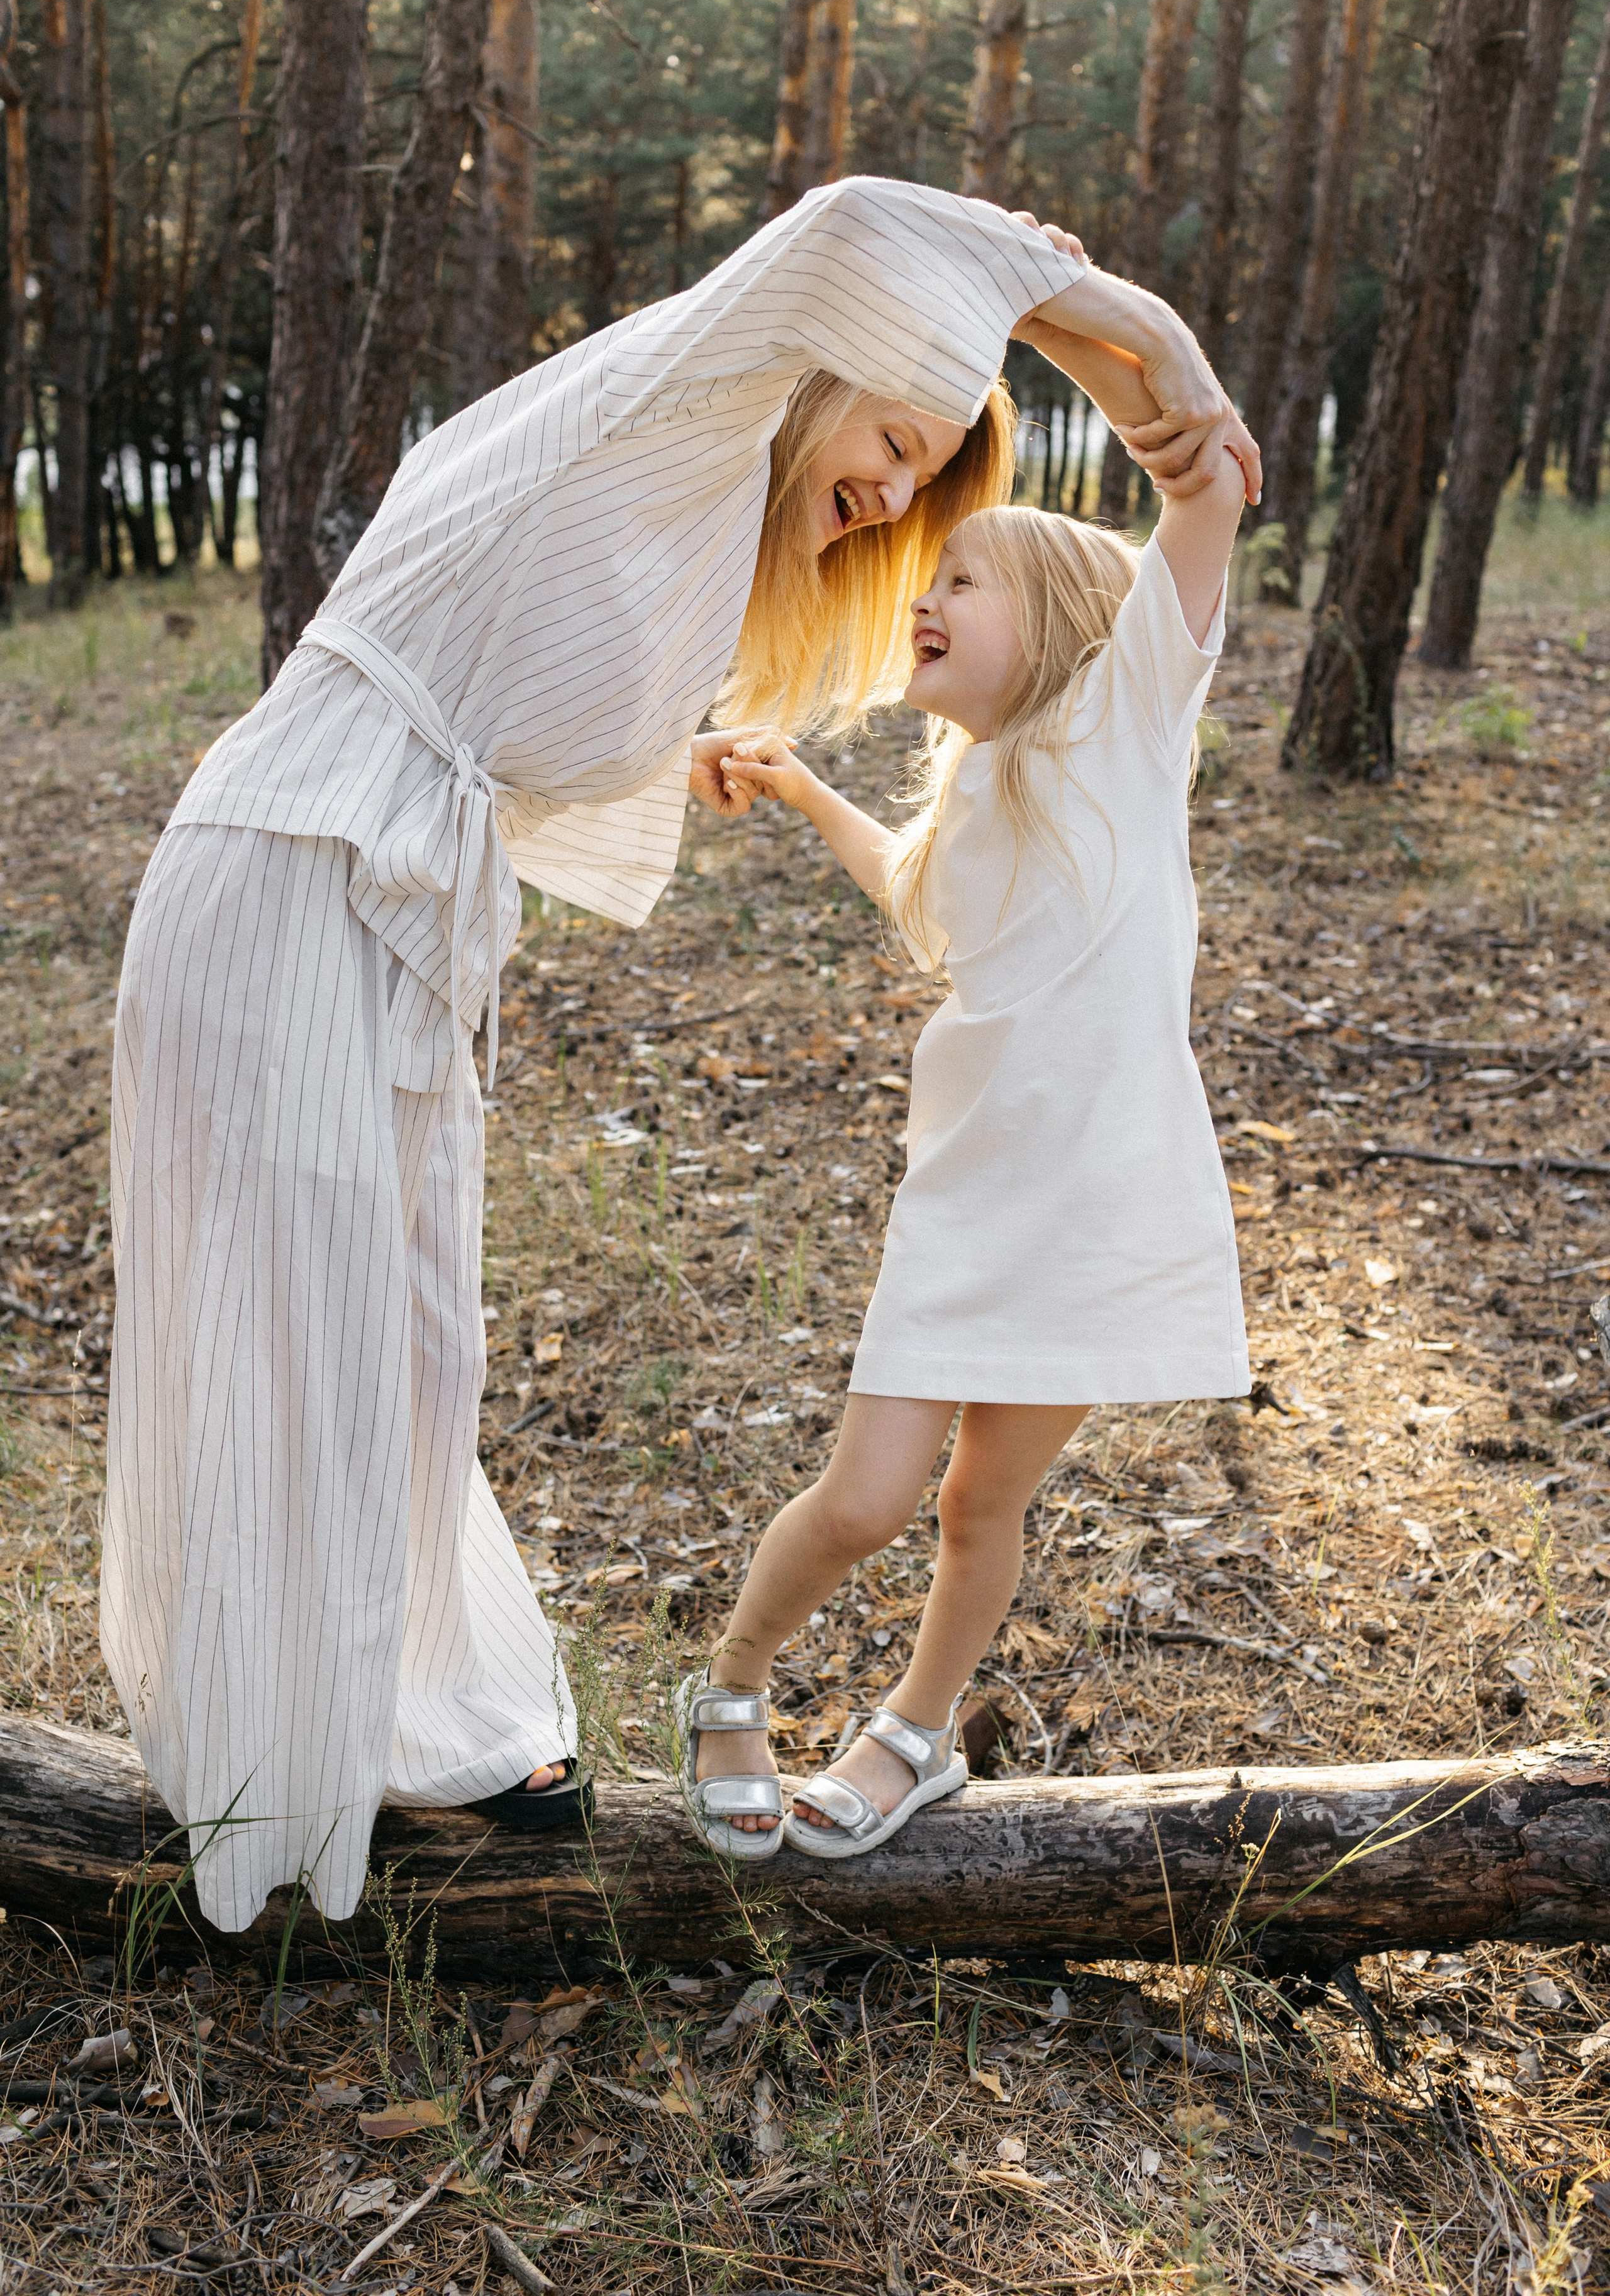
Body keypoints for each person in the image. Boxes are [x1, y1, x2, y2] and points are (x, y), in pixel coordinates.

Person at [104, 173, 1257, 1933]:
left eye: (929, 502)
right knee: (305, 1331)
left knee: (412, 1343)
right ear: (832, 359)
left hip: (397, 919)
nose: (889, 503)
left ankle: (427, 1720)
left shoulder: (722, 529)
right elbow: (862, 220)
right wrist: (1125, 339)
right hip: (300, 879)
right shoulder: (682, 391)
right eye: (898, 443)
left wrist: (758, 760)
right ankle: (276, 1780)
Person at [676, 413, 1252, 1859]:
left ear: (1062, 626)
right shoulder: (980, 792)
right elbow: (921, 902)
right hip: (970, 1196)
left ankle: (917, 1730)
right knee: (869, 1499)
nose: (923, 598)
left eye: (964, 580)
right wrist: (806, 788)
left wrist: (1096, 331)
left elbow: (1201, 495)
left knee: (979, 1505)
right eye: (927, 580)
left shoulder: (1120, 729)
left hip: (1103, 1199)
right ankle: (728, 1681)